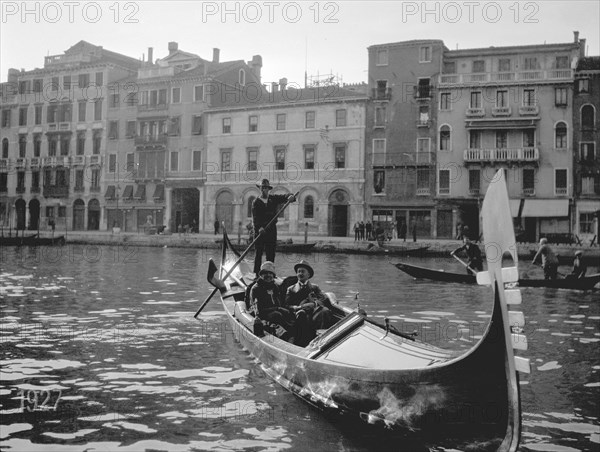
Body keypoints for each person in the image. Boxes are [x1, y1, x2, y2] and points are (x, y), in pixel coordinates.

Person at [252, 179, 296, 276]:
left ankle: (270, 274)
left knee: (270, 253)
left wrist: (290, 196)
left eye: (266, 188)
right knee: (258, 254)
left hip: (271, 230)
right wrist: (259, 228)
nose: (264, 190)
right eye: (262, 188)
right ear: (260, 189)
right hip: (260, 231)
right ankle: (256, 274)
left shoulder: (273, 199)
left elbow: (285, 196)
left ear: (268, 189)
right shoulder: (256, 202)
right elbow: (255, 218)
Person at [285, 260, 333, 346]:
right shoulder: (291, 289)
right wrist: (299, 307)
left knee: (325, 311)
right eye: (298, 272)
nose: (300, 274)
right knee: (301, 315)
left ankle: (321, 340)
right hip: (298, 313)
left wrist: (314, 304)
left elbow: (323, 299)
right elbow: (287, 305)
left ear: (308, 275)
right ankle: (301, 343)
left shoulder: (315, 287)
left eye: (303, 271)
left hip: (313, 312)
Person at [249, 261, 297, 340]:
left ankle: (293, 334)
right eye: (265, 273)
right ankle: (287, 335)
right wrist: (277, 308)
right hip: (263, 315)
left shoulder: (275, 287)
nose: (268, 275)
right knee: (276, 314)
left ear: (273, 275)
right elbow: (258, 310)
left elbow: (280, 302)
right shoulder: (256, 289)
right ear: (261, 275)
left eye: (270, 273)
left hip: (276, 313)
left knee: (290, 314)